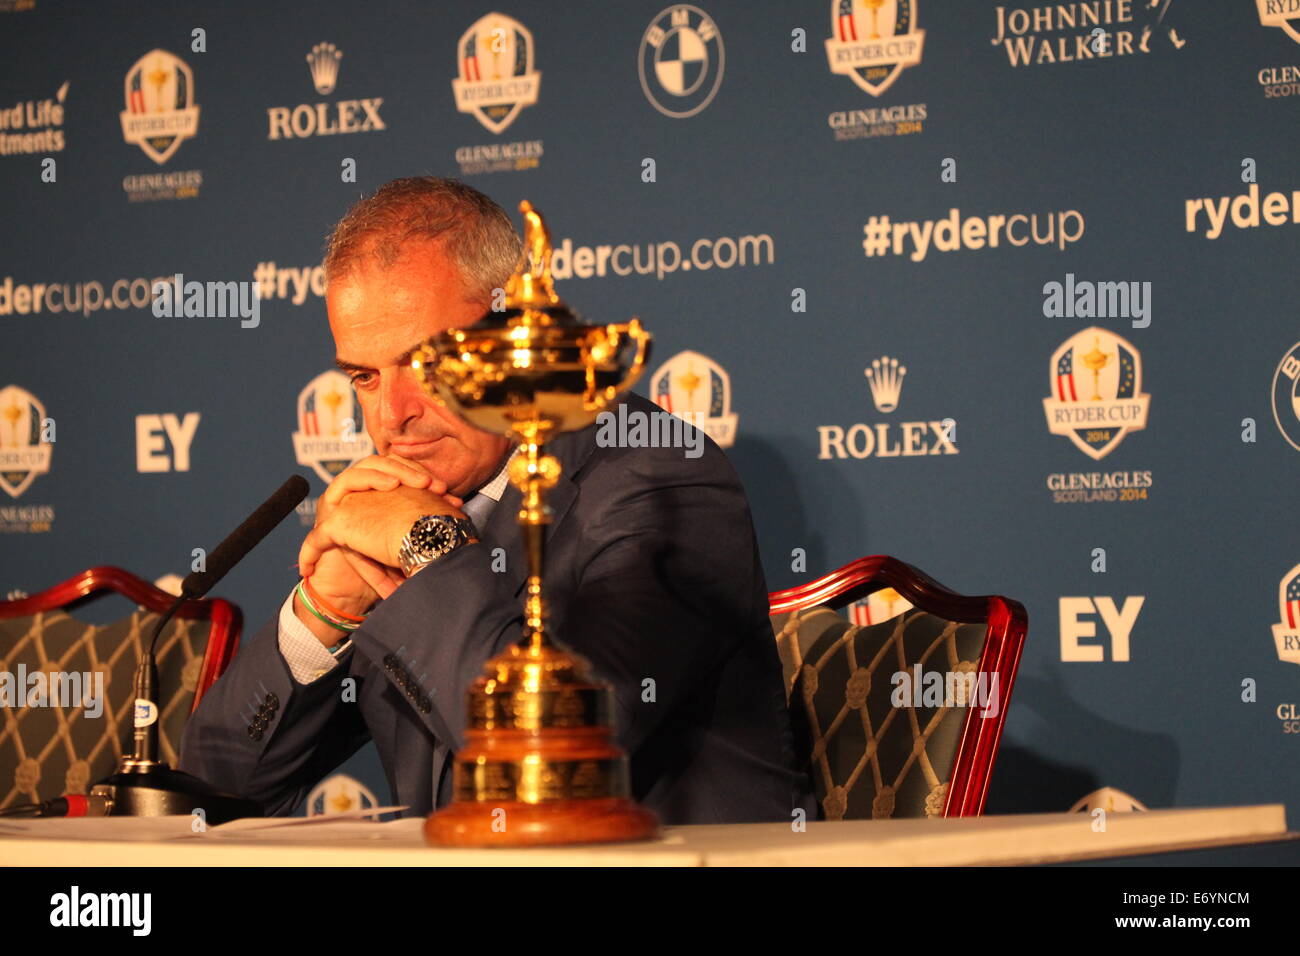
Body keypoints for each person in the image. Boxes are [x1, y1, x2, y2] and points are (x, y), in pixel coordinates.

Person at [179, 177, 813, 825]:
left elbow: (560, 752)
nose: (393, 416)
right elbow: (213, 788)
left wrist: (429, 547)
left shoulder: (657, 476)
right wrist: (325, 611)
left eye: (428, 365)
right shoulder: (400, 510)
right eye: (364, 379)